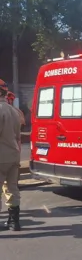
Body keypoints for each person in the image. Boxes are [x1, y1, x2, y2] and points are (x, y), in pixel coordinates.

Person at [0, 79, 22, 231]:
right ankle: (14, 222)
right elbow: (18, 136)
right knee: (12, 188)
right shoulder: (14, 111)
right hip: (13, 155)